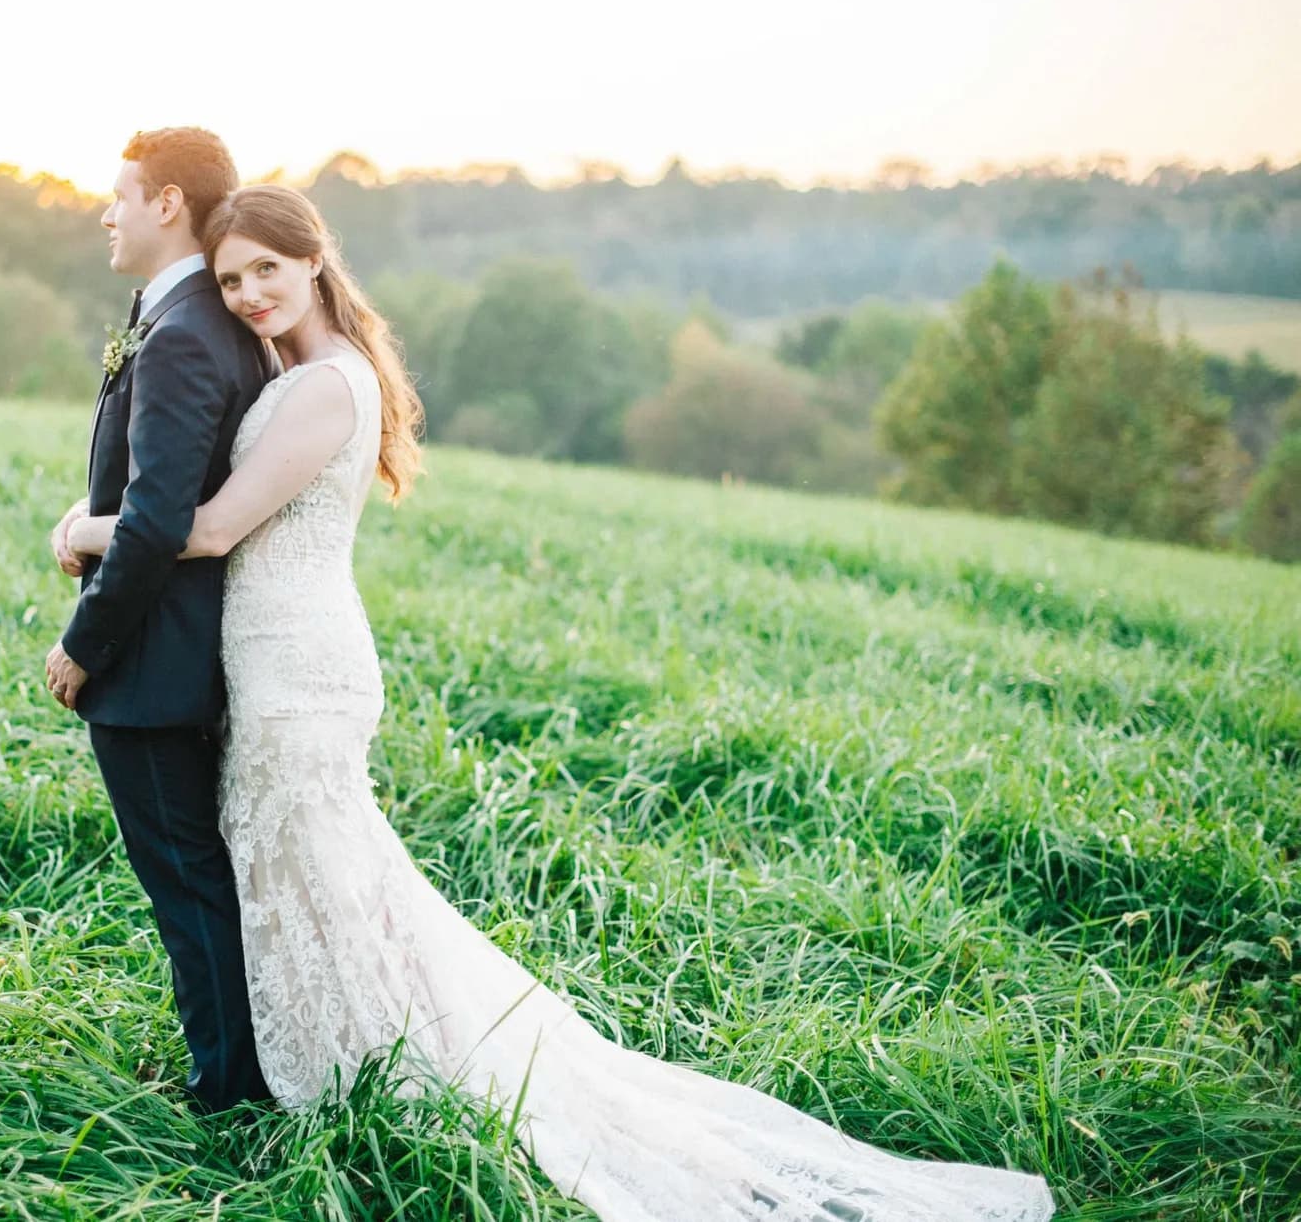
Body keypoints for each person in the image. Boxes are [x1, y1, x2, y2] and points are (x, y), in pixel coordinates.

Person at [59, 183, 1057, 1221]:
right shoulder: (300, 369)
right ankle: (319, 1058)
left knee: (318, 869)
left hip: (297, 664)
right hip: (275, 655)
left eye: (267, 267)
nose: (249, 292)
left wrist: (86, 531)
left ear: (314, 260)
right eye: (229, 279)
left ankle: (366, 1068)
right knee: (308, 874)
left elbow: (211, 528)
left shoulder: (323, 386)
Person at [43, 128, 273, 1112]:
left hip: (152, 666)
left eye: (122, 195)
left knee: (187, 889)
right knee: (197, 883)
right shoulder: (198, 322)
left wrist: (81, 643)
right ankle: (230, 1068)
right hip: (187, 656)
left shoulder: (184, 332)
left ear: (168, 201)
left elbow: (154, 521)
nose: (108, 213)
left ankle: (227, 1092)